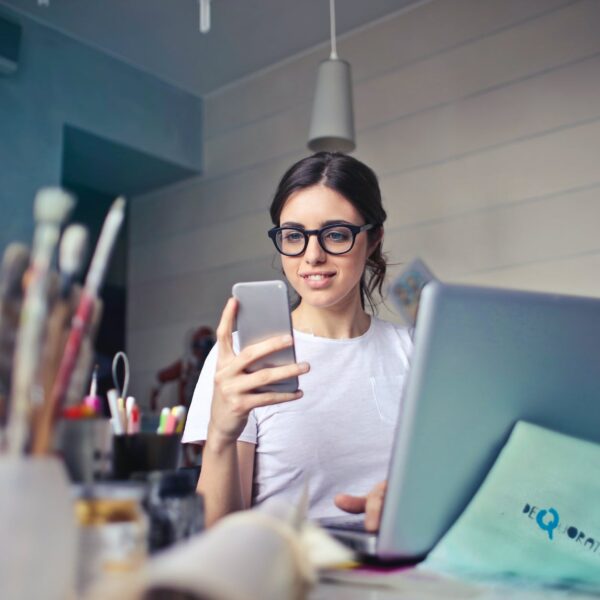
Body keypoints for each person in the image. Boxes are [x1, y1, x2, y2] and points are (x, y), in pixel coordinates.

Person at [183, 152, 412, 529]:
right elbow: (218, 535)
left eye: (336, 234)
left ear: (372, 240)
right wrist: (222, 434)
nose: (313, 256)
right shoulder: (243, 358)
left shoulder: (415, 352)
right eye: (294, 236)